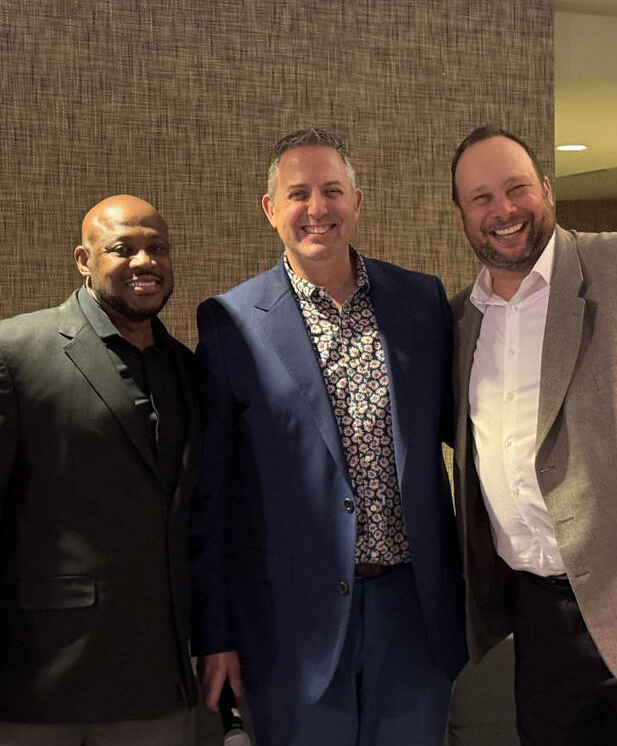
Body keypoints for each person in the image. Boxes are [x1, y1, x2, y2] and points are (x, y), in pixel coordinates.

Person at [450, 124, 617, 745]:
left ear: (546, 190)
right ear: (462, 214)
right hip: (543, 624)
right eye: (482, 198)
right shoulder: (461, 319)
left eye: (517, 188)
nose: (504, 210)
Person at [190, 128, 467, 746]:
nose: (318, 208)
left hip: (414, 609)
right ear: (270, 208)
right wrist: (216, 634)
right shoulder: (230, 321)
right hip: (292, 624)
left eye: (332, 191)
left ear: (357, 201)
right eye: (299, 193)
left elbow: (466, 433)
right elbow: (214, 497)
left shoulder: (420, 301)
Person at [0, 195, 201, 745]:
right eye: (123, 248)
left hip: (158, 680)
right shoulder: (12, 353)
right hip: (34, 679)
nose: (145, 262)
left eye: (158, 249)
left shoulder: (190, 371)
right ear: (84, 259)